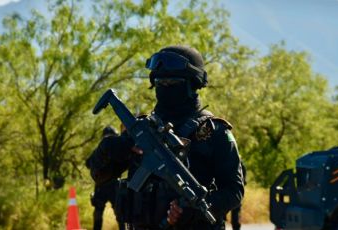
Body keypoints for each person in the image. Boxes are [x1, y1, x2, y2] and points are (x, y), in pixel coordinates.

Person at [88, 45, 244, 230]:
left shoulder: (213, 132)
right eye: (160, 83)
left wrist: (194, 210)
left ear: (192, 84)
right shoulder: (141, 129)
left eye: (172, 83)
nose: (165, 87)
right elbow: (99, 176)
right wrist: (108, 149)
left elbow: (234, 191)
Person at [86, 126, 125, 230]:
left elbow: (88, 163)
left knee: (120, 213)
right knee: (102, 212)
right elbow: (88, 163)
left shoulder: (110, 150)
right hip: (105, 186)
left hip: (111, 186)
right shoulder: (100, 151)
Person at [229, 161, 247, 230]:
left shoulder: (227, 163)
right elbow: (244, 182)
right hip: (236, 192)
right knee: (236, 211)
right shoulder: (241, 166)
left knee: (235, 212)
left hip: (231, 191)